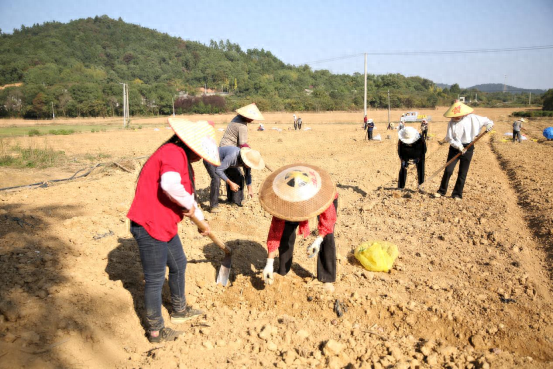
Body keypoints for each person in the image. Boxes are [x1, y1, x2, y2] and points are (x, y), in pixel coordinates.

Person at [127, 119, 221, 343]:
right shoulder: (172, 152)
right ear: (188, 143)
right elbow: (170, 185)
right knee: (155, 279)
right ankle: (156, 331)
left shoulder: (180, 156)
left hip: (165, 224)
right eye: (199, 151)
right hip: (150, 225)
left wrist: (201, 220)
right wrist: (190, 207)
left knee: (179, 263)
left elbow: (188, 198)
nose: (200, 157)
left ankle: (179, 310)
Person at [258, 164, 338, 293]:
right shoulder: (283, 201)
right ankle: (283, 270)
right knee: (286, 232)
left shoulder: (323, 194)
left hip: (321, 197)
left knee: (328, 237)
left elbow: (327, 221)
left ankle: (327, 277)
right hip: (290, 202)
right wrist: (269, 263)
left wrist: (318, 239)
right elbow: (275, 232)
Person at [434, 100, 493, 200]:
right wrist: (459, 146)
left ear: (462, 114)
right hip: (455, 148)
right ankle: (441, 191)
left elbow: (488, 121)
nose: (454, 117)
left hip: (469, 147)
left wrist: (489, 125)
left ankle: (457, 194)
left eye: (457, 115)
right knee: (448, 170)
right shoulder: (451, 123)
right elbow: (449, 138)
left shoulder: (472, 118)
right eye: (453, 116)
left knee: (462, 172)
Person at [216, 103, 264, 206]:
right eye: (251, 118)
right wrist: (250, 151)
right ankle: (237, 201)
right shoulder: (242, 126)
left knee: (232, 174)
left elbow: (248, 172)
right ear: (246, 116)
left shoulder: (237, 119)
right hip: (229, 151)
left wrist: (250, 188)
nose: (252, 120)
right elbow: (242, 144)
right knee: (237, 176)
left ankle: (231, 199)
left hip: (226, 148)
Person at [204, 147, 265, 213]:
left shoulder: (247, 161)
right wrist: (230, 183)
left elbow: (247, 175)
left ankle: (234, 201)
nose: (250, 167)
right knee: (216, 179)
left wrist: (249, 189)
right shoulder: (232, 157)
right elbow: (219, 170)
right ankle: (214, 206)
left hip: (223, 162)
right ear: (245, 160)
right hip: (210, 159)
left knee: (238, 176)